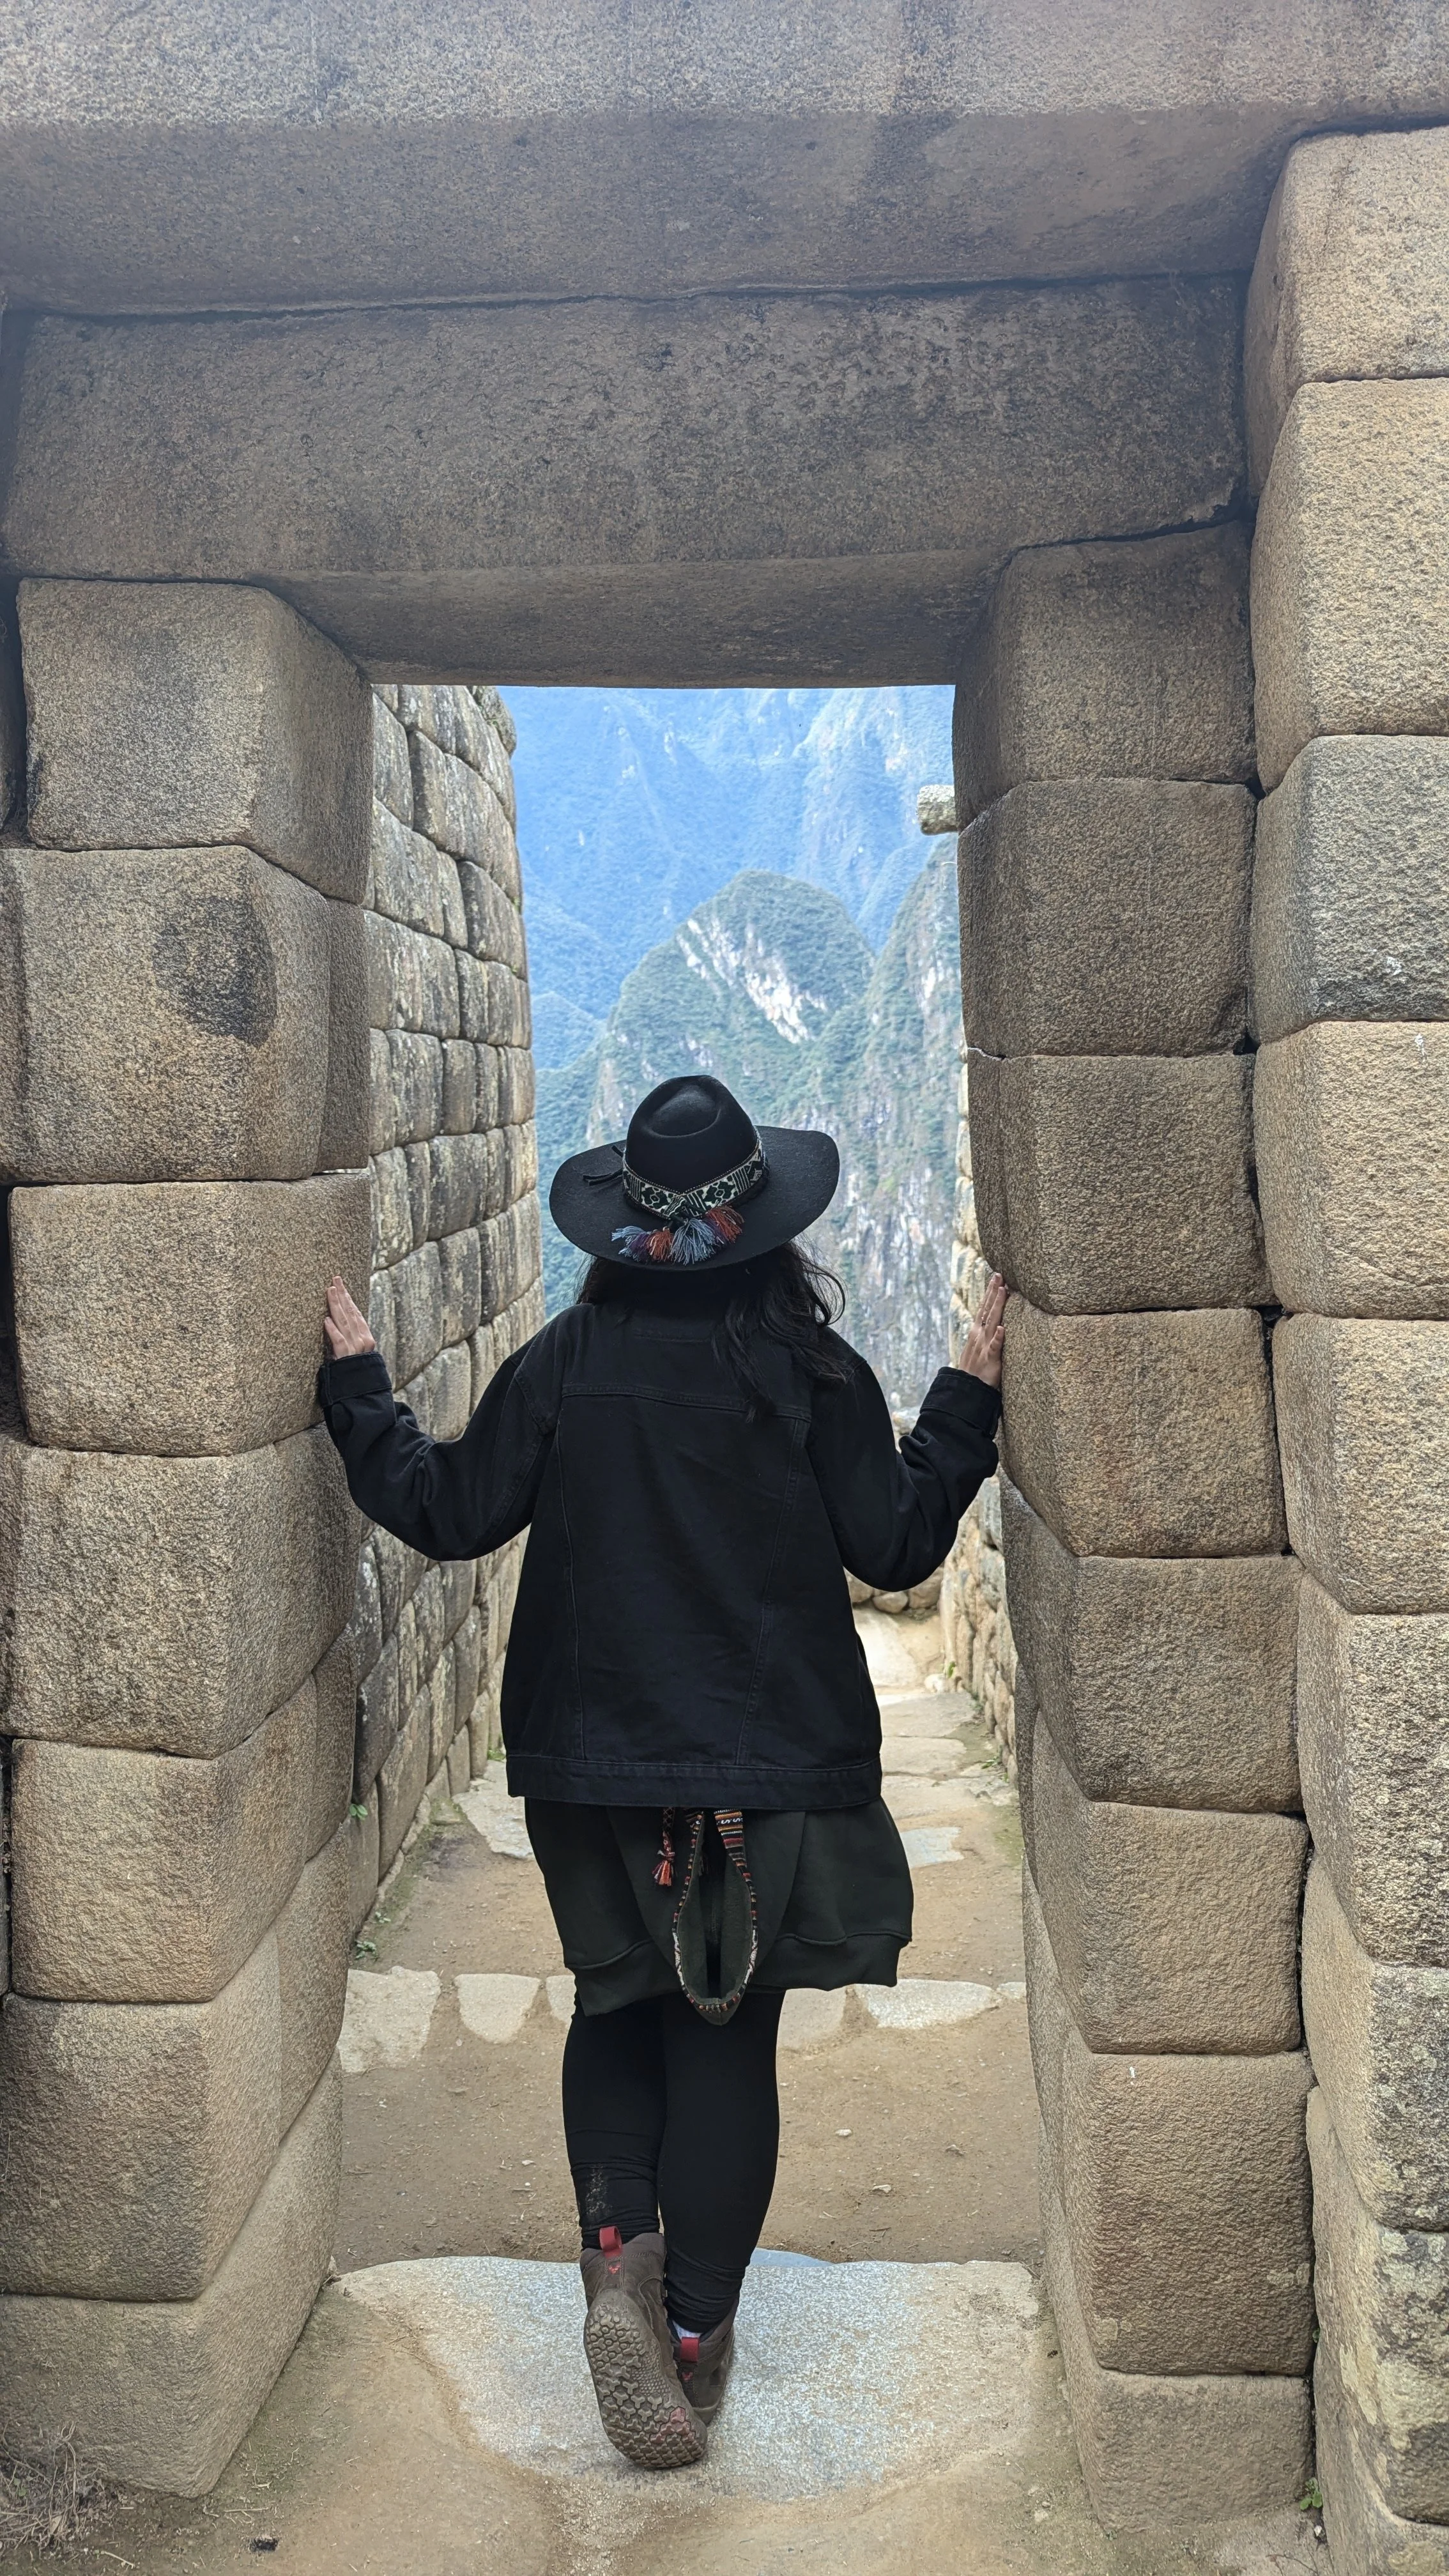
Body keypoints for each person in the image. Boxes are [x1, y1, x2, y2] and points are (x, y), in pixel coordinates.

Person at [320, 1074, 1006, 2472]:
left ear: (620, 1233)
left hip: (597, 1763)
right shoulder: (813, 1376)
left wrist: (358, 1390)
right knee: (728, 2033)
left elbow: (445, 1509)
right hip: (764, 1769)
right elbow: (897, 1545)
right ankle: (690, 2334)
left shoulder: (566, 1366)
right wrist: (965, 1402)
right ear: (765, 1228)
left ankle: (618, 2256)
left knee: (617, 2001)